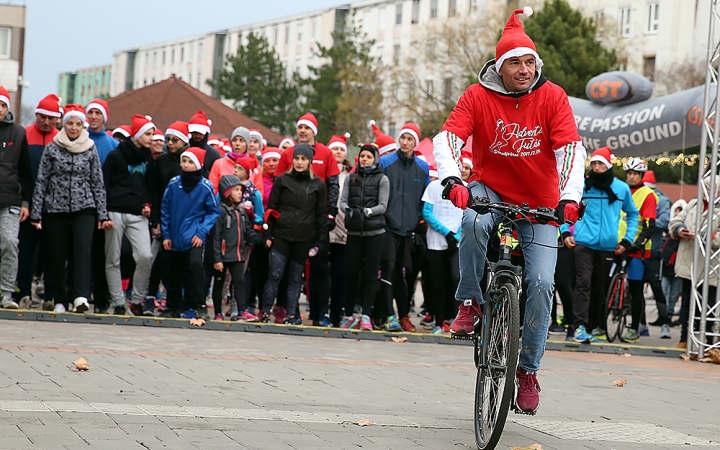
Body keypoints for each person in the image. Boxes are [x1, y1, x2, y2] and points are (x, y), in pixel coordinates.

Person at [432, 7, 586, 414]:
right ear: (500, 66)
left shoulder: (552, 97)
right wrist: (452, 181)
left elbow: (571, 150)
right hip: (490, 190)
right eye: (514, 62)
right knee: (472, 220)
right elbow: (447, 138)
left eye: (529, 61)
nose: (523, 69)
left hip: (540, 203)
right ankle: (469, 301)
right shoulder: (476, 95)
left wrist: (569, 197)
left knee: (539, 284)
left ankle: (528, 371)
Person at [31, 104, 112, 313]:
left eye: (78, 124)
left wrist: (102, 213)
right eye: (70, 123)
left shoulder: (90, 147)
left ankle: (81, 297)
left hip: (84, 206)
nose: (74, 128)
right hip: (55, 207)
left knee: (82, 249)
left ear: (83, 126)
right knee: (57, 254)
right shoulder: (52, 147)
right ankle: (60, 298)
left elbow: (97, 181)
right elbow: (42, 180)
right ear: (64, 124)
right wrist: (36, 212)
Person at [560, 147, 638, 343]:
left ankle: (592, 327)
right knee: (583, 283)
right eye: (593, 163)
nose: (596, 167)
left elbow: (633, 214)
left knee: (599, 289)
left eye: (600, 163)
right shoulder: (583, 186)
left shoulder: (621, 188)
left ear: (609, 165)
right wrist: (564, 231)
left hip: (608, 245)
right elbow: (564, 205)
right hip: (583, 242)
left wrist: (627, 240)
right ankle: (578, 326)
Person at [275, 112, 340, 326]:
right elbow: (279, 187)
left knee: (320, 270)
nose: (303, 131)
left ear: (314, 131)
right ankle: (285, 310)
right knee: (287, 272)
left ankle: (319, 313)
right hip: (291, 224)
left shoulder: (326, 153)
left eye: (307, 128)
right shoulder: (289, 154)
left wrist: (330, 215)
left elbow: (333, 185)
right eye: (300, 127)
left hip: (317, 223)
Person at [262, 143, 327, 325]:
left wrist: (321, 241)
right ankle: (265, 311)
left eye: (303, 159)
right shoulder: (282, 180)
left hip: (304, 237)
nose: (299, 162)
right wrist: (268, 234)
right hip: (282, 235)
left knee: (295, 278)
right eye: (297, 158)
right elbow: (271, 209)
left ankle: (291, 314)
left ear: (310, 162)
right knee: (275, 274)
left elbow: (321, 214)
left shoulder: (318, 185)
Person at [103, 115, 158, 316]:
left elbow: (150, 187)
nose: (152, 138)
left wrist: (147, 205)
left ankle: (136, 300)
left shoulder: (149, 159)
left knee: (145, 255)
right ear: (137, 135)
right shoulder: (116, 156)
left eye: (153, 134)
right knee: (113, 258)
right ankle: (118, 301)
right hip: (114, 210)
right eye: (148, 134)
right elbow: (104, 184)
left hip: (138, 214)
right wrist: (103, 214)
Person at [379, 120, 429, 332]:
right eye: (403, 138)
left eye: (409, 139)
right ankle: (388, 315)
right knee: (388, 269)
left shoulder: (422, 167)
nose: (405, 142)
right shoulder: (386, 162)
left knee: (405, 273)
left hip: (408, 230)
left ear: (415, 142)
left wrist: (418, 221)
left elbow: (424, 199)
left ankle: (404, 316)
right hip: (388, 226)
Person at [160, 147, 220, 318]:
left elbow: (213, 212)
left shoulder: (205, 186)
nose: (186, 165)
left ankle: (198, 304)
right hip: (175, 235)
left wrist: (201, 233)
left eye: (190, 162)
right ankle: (173, 307)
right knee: (173, 272)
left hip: (194, 237)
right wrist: (167, 235)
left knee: (195, 267)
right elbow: (165, 209)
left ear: (199, 164)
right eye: (184, 161)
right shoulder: (173, 184)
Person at [16, 93, 61, 309]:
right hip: (28, 202)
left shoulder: (61, 139)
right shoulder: (24, 135)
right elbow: (21, 172)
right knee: (25, 250)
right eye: (42, 117)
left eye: (50, 118)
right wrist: (25, 200)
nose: (46, 122)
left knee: (52, 251)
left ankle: (50, 294)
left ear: (56, 120)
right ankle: (23, 291)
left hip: (53, 206)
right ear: (36, 115)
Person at [339, 143, 389, 330]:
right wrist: (349, 211)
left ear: (375, 158)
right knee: (351, 275)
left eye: (368, 156)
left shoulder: (382, 179)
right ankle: (349, 313)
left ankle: (366, 315)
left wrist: (366, 211)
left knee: (370, 276)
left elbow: (382, 206)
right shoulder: (352, 177)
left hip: (374, 234)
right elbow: (343, 201)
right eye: (362, 156)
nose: (365, 159)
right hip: (353, 233)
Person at [620, 158, 671, 340]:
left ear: (641, 175)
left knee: (637, 290)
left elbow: (650, 225)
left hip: (640, 250)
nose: (631, 176)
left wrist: (639, 243)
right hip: (618, 245)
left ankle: (637, 327)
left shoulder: (648, 195)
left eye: (635, 174)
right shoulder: (622, 190)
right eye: (629, 173)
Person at [669, 176, 720, 349]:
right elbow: (675, 221)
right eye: (704, 187)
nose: (706, 191)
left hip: (710, 267)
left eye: (710, 187)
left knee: (709, 304)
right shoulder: (693, 205)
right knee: (686, 303)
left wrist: (701, 236)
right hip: (688, 262)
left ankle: (708, 342)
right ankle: (684, 338)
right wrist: (680, 230)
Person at [146, 121, 190, 311]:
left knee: (181, 264)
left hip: (185, 219)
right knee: (159, 262)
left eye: (175, 140)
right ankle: (150, 295)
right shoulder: (161, 162)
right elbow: (155, 191)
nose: (170, 144)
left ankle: (175, 301)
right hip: (165, 218)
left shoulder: (188, 161)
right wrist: (156, 219)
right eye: (168, 140)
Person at [211, 175, 263, 321]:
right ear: (227, 192)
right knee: (220, 283)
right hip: (222, 255)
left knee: (239, 281)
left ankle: (242, 310)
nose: (240, 193)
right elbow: (215, 236)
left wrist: (261, 239)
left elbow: (247, 231)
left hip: (237, 254)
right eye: (236, 190)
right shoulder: (220, 211)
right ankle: (218, 312)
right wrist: (216, 258)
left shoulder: (241, 211)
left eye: (241, 190)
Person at [0, 86, 31, 310]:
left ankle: (7, 293)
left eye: (2, 105)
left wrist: (25, 202)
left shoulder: (19, 133)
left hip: (10, 198)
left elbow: (26, 171)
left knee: (10, 243)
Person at [328, 133, 353, 326]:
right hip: (325, 227)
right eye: (334, 148)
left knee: (340, 273)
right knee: (321, 273)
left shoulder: (351, 175)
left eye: (341, 149)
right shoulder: (324, 171)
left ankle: (337, 314)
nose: (337, 152)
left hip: (344, 228)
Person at [209, 126, 258, 193]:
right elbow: (212, 189)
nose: (237, 143)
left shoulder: (254, 166)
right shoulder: (219, 163)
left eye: (241, 140)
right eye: (234, 140)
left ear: (247, 144)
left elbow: (258, 193)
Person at [662, 200, 686, 319]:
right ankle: (663, 314)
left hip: (677, 270)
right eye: (676, 211)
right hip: (667, 268)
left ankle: (670, 313)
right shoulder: (668, 231)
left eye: (680, 211)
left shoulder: (684, 233)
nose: (677, 213)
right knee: (663, 291)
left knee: (674, 294)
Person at [187, 110, 221, 177]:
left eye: (200, 133)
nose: (197, 136)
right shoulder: (184, 150)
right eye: (195, 132)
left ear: (206, 133)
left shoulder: (213, 154)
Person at [85, 99, 119, 164]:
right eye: (90, 112)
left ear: (104, 117)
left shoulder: (114, 145)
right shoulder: (79, 140)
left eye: (97, 113)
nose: (93, 117)